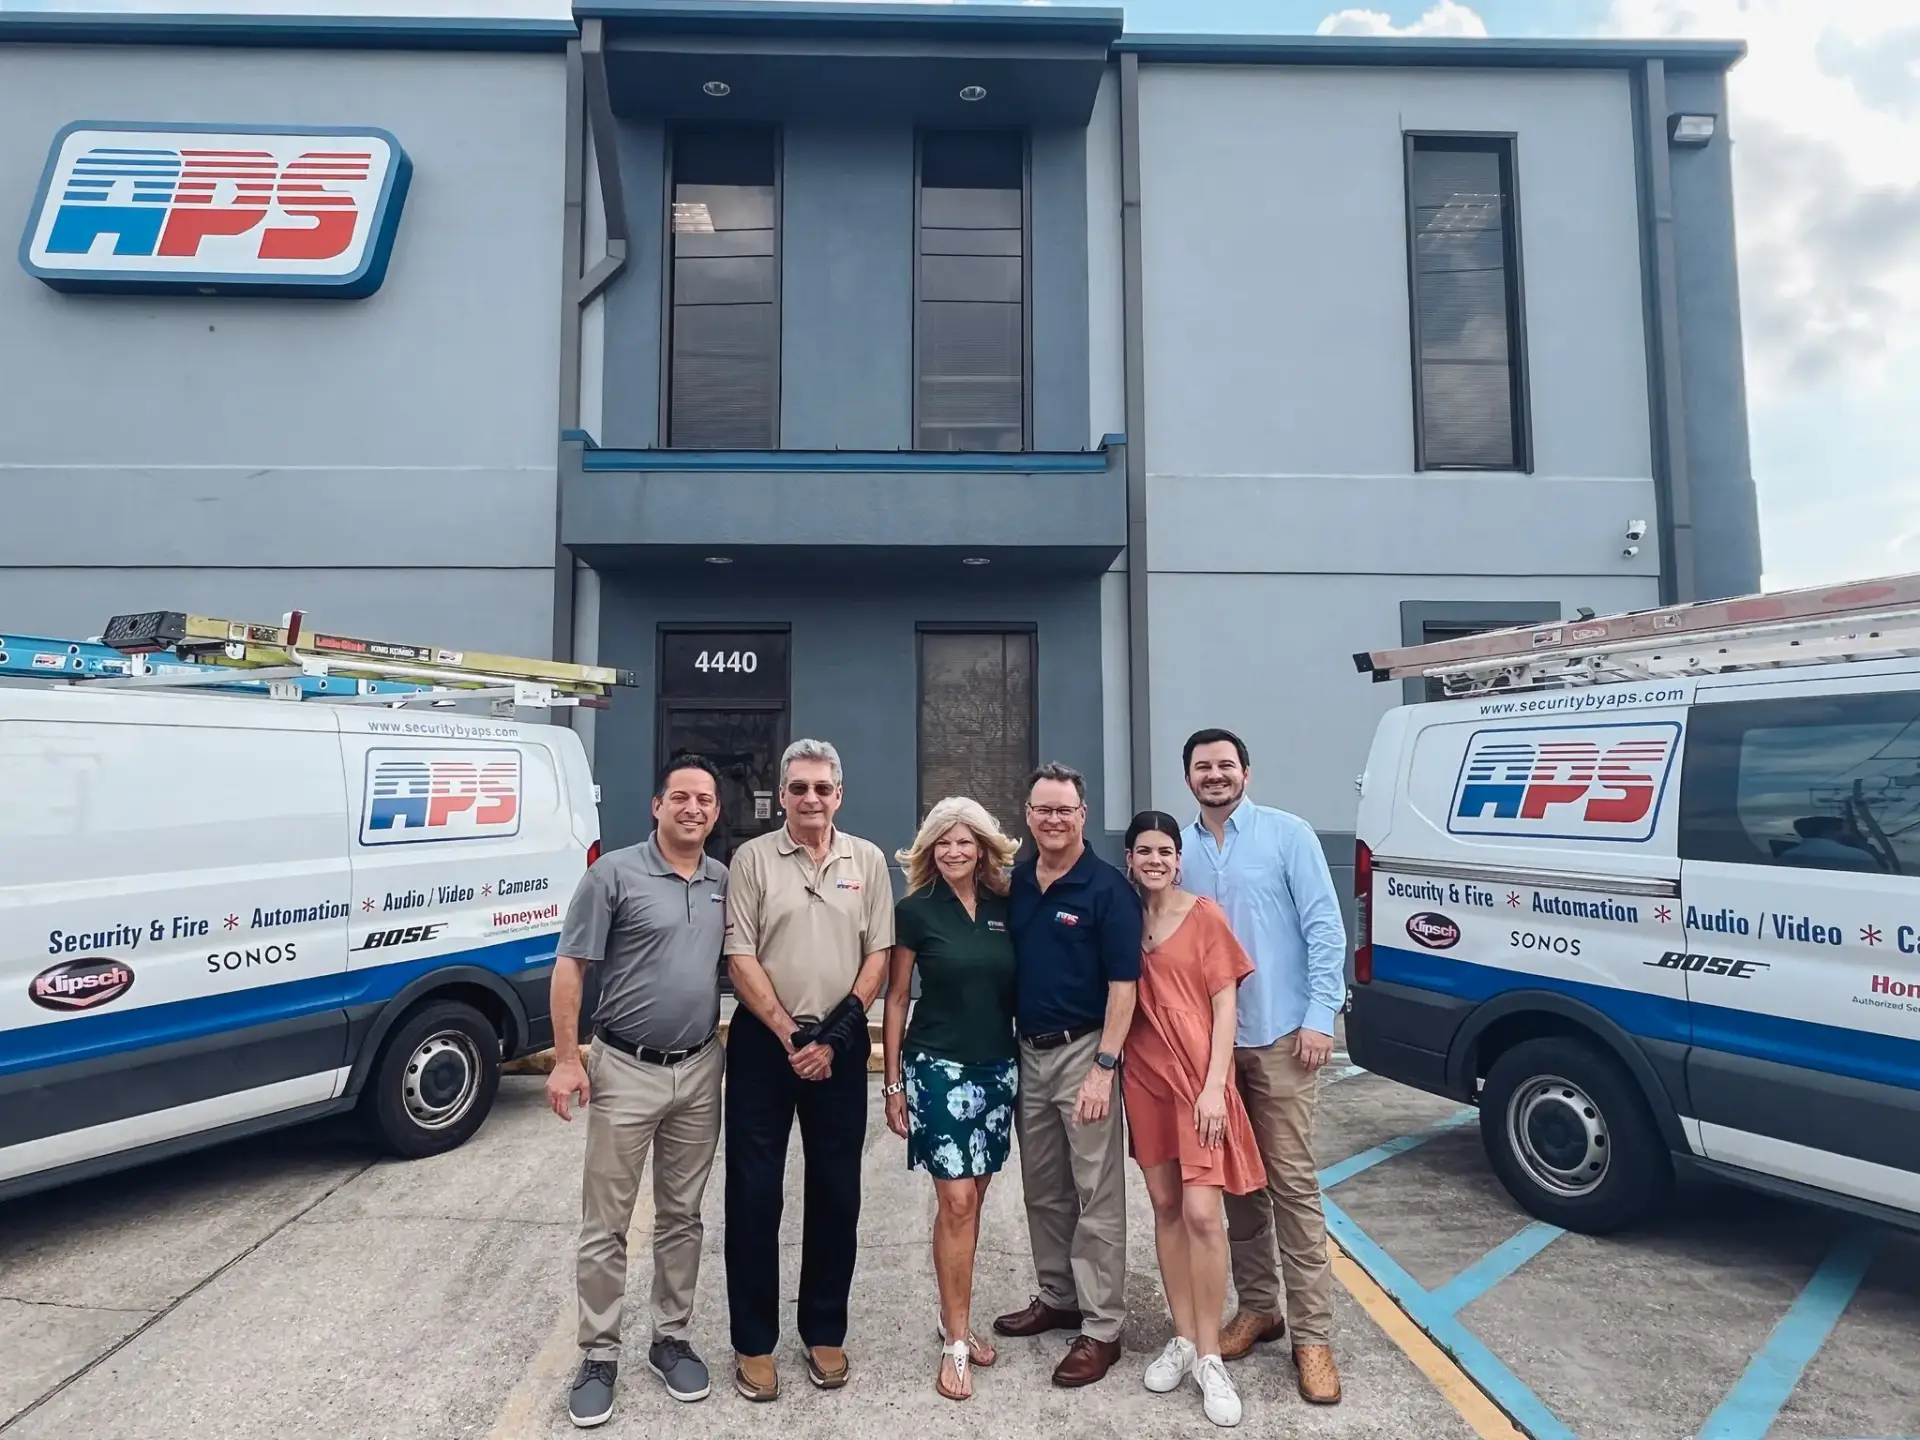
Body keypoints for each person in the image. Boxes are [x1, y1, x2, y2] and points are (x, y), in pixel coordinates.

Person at [548, 757, 732, 1429]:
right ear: (657, 806)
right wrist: (569, 1059)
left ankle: (671, 1339)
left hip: (701, 1066)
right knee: (607, 1223)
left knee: (683, 1215)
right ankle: (598, 1354)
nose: (692, 807)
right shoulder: (612, 875)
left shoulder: (723, 881)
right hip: (624, 1068)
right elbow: (572, 967)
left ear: (716, 811)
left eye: (704, 799)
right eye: (680, 796)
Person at [722, 738, 894, 1403]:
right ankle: (754, 1342)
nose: (811, 799)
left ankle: (824, 1328)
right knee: (755, 1196)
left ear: (839, 795)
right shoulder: (751, 859)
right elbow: (740, 957)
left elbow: (877, 954)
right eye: (799, 788)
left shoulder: (869, 860)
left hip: (841, 1045)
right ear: (783, 793)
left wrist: (838, 1034)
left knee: (836, 1193)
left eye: (823, 788)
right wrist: (794, 1036)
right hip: (768, 1045)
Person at [1181, 728, 1348, 1405]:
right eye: (1202, 767)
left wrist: (1320, 1016)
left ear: (1246, 771)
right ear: (1188, 777)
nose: (1215, 775)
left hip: (1281, 1036)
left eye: (1225, 765)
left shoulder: (1288, 835)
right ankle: (1260, 1307)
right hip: (1212, 1051)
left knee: (1293, 1189)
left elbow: (1325, 926)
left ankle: (1312, 1337)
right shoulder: (1179, 850)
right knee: (1238, 1189)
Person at [993, 762, 1140, 1388]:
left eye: (1065, 810)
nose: (1053, 820)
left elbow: (1124, 987)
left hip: (1086, 1053)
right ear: (1027, 816)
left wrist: (1103, 1068)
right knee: (1043, 1187)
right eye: (1042, 809)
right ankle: (1057, 1296)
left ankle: (1102, 1327)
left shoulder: (1109, 890)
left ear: (1083, 815)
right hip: (1028, 1051)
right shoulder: (1019, 884)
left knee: (1097, 1197)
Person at [1121, 810, 1265, 1429]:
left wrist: (1215, 1088)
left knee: (1205, 1214)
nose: (1154, 860)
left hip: (1198, 1083)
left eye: (1164, 851)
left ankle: (1210, 1356)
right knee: (1165, 1207)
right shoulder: (1123, 922)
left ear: (1178, 860)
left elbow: (1225, 1006)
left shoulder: (1204, 915)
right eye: (1143, 850)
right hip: (1143, 1080)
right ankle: (1181, 1337)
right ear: (1129, 859)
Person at [881, 796, 1023, 1401]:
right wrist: (891, 1082)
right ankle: (956, 1343)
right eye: (943, 842)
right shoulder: (915, 911)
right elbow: (895, 998)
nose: (955, 851)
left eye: (966, 841)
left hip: (997, 1068)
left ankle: (952, 1310)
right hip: (935, 1068)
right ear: (929, 850)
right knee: (958, 1201)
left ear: (985, 847)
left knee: (972, 1202)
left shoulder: (1007, 908)